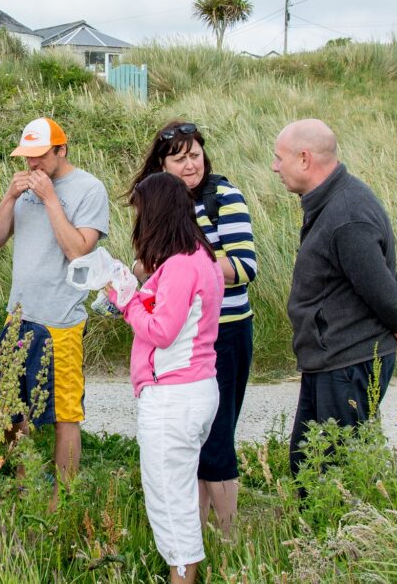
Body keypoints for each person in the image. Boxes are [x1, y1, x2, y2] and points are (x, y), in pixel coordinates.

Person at [271, 119, 397, 478]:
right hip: (330, 357)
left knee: (332, 470)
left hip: (347, 360)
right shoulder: (332, 201)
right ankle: (319, 533)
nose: (274, 167)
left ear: (305, 159)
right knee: (309, 464)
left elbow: (377, 284)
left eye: (279, 158)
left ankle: (344, 533)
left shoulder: (347, 214)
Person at [129, 119, 258, 534]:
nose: (190, 165)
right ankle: (196, 531)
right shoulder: (158, 203)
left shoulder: (223, 197)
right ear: (161, 165)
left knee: (217, 438)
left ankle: (229, 535)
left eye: (195, 156)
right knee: (192, 442)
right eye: (179, 159)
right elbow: (147, 267)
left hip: (224, 330)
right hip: (173, 336)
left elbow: (244, 266)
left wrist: (180, 268)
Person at [106, 171, 224, 584]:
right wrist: (136, 293)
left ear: (155, 214)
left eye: (140, 213)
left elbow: (160, 331)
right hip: (196, 389)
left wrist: (124, 300)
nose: (138, 223)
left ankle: (182, 578)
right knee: (179, 496)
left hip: (173, 397)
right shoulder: (201, 258)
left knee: (170, 507)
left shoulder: (179, 266)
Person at [0, 117, 109, 488]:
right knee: (5, 408)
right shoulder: (22, 189)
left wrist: (51, 200)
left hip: (60, 321)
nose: (32, 165)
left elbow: (77, 251)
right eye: (27, 157)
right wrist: (9, 197)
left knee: (64, 414)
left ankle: (62, 499)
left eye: (40, 156)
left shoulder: (88, 189)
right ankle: (26, 484)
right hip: (18, 316)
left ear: (62, 150)